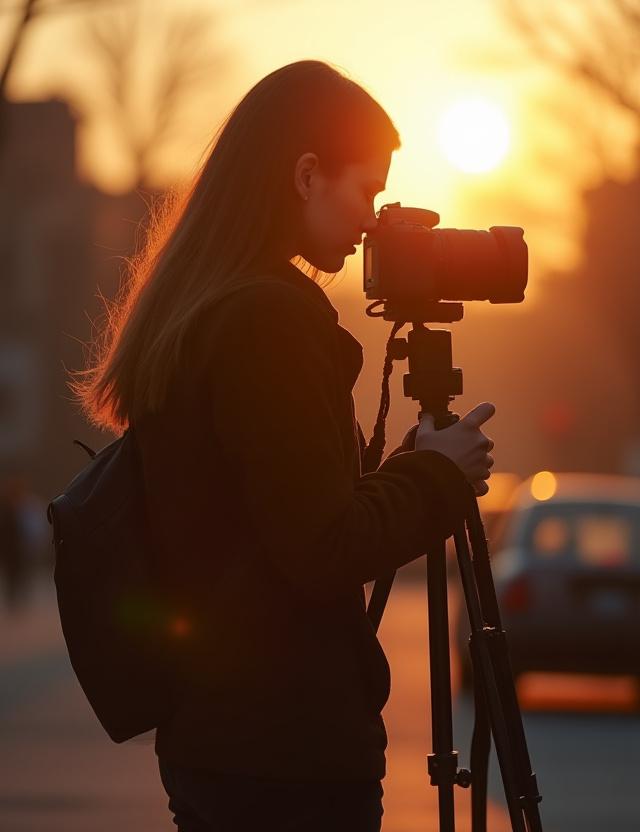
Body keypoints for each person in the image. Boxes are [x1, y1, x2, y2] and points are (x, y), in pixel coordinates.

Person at [72, 60, 495, 832]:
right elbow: (323, 549)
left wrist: (405, 471)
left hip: (219, 739)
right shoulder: (268, 321)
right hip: (286, 758)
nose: (374, 219)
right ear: (306, 175)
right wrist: (438, 477)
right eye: (366, 189)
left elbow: (272, 524)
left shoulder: (207, 305)